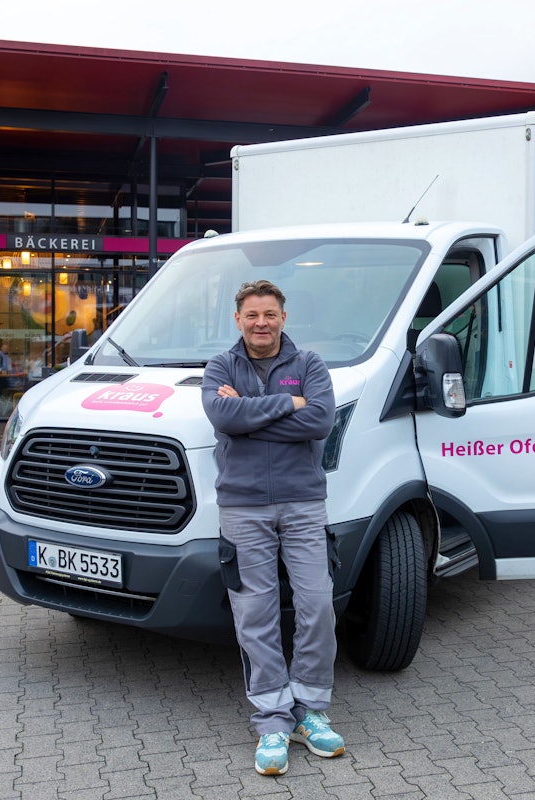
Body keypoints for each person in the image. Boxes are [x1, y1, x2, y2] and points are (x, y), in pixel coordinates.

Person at [201, 279, 344, 776]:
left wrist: (248, 413)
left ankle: (310, 709)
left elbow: (321, 421)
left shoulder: (310, 366)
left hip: (303, 503)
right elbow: (221, 415)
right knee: (255, 613)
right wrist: (290, 405)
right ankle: (272, 720)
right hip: (242, 509)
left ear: (284, 317)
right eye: (252, 314)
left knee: (317, 602)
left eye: (270, 313)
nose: (261, 322)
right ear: (238, 320)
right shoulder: (221, 366)